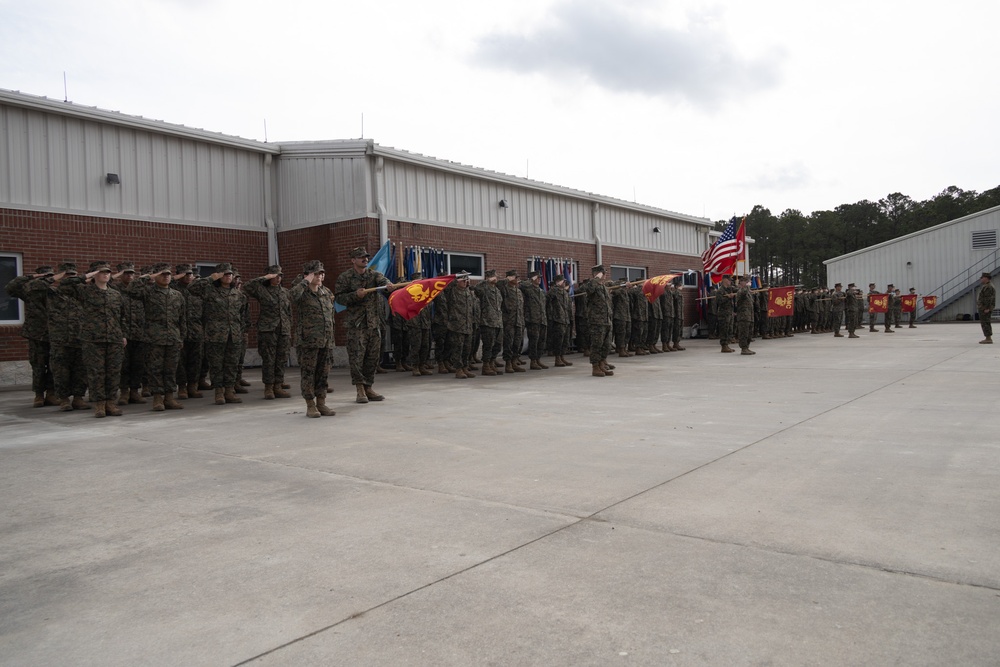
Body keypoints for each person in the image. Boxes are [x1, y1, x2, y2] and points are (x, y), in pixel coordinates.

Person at [59, 262, 126, 418]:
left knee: (113, 372)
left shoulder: (115, 294)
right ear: (95, 274)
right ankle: (99, 404)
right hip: (93, 339)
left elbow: (122, 317)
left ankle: (110, 402)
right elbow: (64, 285)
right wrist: (86, 276)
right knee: (96, 372)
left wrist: (123, 335)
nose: (106, 274)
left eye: (108, 272)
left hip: (114, 338)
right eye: (102, 272)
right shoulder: (85, 291)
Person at [334, 247, 396, 404]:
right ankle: (360, 388)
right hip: (357, 324)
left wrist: (389, 285)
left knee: (373, 357)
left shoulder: (373, 275)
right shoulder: (346, 277)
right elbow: (339, 299)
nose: (365, 259)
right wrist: (355, 295)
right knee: (357, 358)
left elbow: (384, 281)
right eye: (361, 257)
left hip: (373, 323)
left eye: (366, 257)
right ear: (353, 260)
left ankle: (369, 386)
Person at [126, 263, 187, 411]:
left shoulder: (177, 295)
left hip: (173, 337)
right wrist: (148, 277)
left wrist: (181, 337)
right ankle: (158, 398)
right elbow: (131, 290)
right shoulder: (148, 292)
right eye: (162, 274)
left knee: (171, 369)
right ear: (156, 276)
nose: (166, 277)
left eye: (168, 274)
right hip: (154, 338)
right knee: (155, 369)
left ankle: (169, 398)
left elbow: (182, 319)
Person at [187, 262, 246, 405]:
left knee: (231, 364)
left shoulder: (238, 294)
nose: (229, 276)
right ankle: (219, 392)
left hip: (234, 335)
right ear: (218, 276)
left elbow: (241, 316)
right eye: (225, 274)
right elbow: (191, 287)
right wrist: (211, 278)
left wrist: (241, 332)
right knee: (216, 365)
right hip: (215, 335)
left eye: (230, 274)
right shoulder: (209, 291)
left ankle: (229, 391)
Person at [35, 262, 88, 411]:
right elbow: (28, 288)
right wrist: (53, 278)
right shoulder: (51, 292)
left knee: (80, 371)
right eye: (67, 275)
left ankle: (78, 398)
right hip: (60, 339)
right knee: (60, 371)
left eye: (73, 275)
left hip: (79, 338)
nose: (71, 278)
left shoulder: (82, 293)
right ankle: (64, 399)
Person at [289, 260, 336, 417]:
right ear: (307, 275)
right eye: (316, 273)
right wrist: (305, 282)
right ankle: (310, 404)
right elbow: (290, 297)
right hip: (308, 341)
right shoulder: (301, 292)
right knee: (309, 373)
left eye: (322, 273)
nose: (320, 276)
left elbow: (330, 316)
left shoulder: (326, 292)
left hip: (326, 340)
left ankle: (321, 403)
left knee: (323, 373)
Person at [5, 265, 56, 406]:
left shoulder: (54, 292)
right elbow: (11, 287)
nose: (47, 280)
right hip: (36, 334)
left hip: (53, 334)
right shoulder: (29, 292)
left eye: (50, 277)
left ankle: (51, 394)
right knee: (38, 366)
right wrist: (31, 277)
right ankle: (39, 395)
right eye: (44, 277)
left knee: (53, 365)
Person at [243, 265, 292, 399]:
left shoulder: (285, 292)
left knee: (281, 359)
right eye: (275, 276)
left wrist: (289, 328)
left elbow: (288, 312)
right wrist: (265, 277)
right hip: (267, 330)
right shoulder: (262, 290)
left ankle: (278, 385)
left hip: (283, 329)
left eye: (280, 276)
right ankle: (268, 387)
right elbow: (247, 286)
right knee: (269, 359)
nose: (278, 278)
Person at [111, 262, 146, 406]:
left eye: (132, 273)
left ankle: (134, 392)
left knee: (138, 364)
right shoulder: (114, 288)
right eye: (126, 273)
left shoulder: (140, 289)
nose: (130, 276)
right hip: (122, 333)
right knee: (123, 365)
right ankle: (124, 392)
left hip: (139, 333)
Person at [171, 264, 204, 399]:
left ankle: (193, 386)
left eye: (190, 274)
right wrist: (176, 277)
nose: (188, 276)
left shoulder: (197, 290)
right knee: (180, 362)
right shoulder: (174, 289)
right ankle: (182, 388)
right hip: (180, 331)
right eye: (185, 274)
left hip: (196, 330)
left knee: (195, 361)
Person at [578, 264, 614, 377]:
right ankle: (595, 367)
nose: (605, 275)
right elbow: (589, 290)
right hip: (596, 321)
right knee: (597, 344)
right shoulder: (591, 284)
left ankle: (602, 364)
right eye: (603, 273)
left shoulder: (602, 286)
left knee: (606, 345)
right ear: (597, 274)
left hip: (606, 320)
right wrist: (596, 278)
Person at [445, 272, 477, 378]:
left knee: (467, 349)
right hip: (457, 325)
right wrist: (456, 278)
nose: (465, 282)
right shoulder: (452, 291)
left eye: (466, 280)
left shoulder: (468, 292)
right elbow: (446, 285)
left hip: (468, 325)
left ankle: (465, 368)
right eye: (463, 280)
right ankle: (458, 369)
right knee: (457, 349)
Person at [404, 271, 435, 376]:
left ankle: (422, 365)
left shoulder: (425, 293)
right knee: (416, 346)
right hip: (414, 323)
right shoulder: (409, 292)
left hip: (425, 322)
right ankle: (415, 367)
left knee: (425, 346)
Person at [474, 269, 504, 376]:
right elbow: (477, 289)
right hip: (487, 322)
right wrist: (486, 281)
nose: (496, 278)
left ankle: (492, 363)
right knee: (488, 345)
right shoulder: (484, 289)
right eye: (494, 276)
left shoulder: (497, 291)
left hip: (498, 322)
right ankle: (486, 366)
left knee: (498, 345)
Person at [498, 269, 525, 373]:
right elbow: (498, 285)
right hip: (509, 321)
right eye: (515, 277)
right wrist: (506, 279)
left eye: (517, 277)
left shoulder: (518, 291)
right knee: (508, 343)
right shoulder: (504, 289)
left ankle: (514, 361)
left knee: (517, 343)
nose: (517, 279)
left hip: (518, 321)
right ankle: (508, 363)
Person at [520, 271, 548, 369]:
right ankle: (533, 361)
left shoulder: (541, 291)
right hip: (533, 319)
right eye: (537, 278)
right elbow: (521, 284)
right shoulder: (528, 289)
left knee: (541, 341)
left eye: (540, 278)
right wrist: (530, 280)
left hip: (542, 319)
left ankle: (538, 359)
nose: (539, 279)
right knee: (534, 341)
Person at [546, 274, 573, 367]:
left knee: (565, 341)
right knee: (558, 340)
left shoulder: (565, 293)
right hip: (557, 319)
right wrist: (556, 285)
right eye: (562, 281)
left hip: (565, 319)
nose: (564, 282)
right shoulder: (554, 291)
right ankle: (557, 358)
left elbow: (568, 306)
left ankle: (562, 357)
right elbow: (548, 298)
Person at [611, 279, 632, 357]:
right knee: (621, 333)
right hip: (619, 315)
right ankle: (620, 349)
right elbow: (614, 291)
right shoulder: (618, 292)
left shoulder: (626, 293)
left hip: (626, 315)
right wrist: (622, 287)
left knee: (628, 332)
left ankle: (624, 348)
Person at [735, 275, 756, 355]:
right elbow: (743, 293)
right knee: (744, 333)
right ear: (741, 283)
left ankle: (747, 347)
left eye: (748, 282)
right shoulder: (740, 291)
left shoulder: (748, 293)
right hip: (743, 316)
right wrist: (746, 287)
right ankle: (743, 348)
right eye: (746, 282)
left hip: (749, 316)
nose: (748, 283)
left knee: (749, 333)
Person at [715, 275, 736, 353]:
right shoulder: (720, 290)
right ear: (724, 280)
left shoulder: (729, 289)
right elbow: (718, 301)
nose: (730, 282)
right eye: (729, 280)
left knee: (729, 330)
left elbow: (736, 290)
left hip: (729, 312)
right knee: (724, 329)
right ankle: (724, 346)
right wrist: (728, 297)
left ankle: (727, 345)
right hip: (723, 313)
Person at [977, 272, 995, 344]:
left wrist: (986, 308)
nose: (981, 279)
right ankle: (988, 337)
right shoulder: (986, 286)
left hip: (985, 308)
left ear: (986, 278)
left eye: (982, 278)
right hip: (983, 308)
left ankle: (988, 338)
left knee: (985, 322)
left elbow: (988, 298)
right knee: (985, 322)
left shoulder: (988, 287)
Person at [670, 281, 686, 351]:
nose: (681, 287)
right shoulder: (675, 292)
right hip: (676, 314)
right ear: (676, 286)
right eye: (680, 285)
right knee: (676, 329)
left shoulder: (679, 293)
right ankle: (675, 343)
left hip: (680, 314)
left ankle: (677, 342)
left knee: (680, 329)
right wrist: (677, 290)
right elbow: (675, 299)